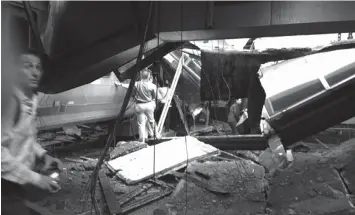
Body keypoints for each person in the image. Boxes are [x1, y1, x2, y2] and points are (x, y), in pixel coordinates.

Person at [1, 49, 64, 215]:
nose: (35, 72)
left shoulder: (30, 98)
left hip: (15, 182)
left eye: (38, 67)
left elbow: (23, 136)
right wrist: (37, 179)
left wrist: (44, 154)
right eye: (28, 66)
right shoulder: (9, 101)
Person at [116, 68, 157, 142]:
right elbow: (154, 97)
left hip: (139, 106)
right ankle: (156, 135)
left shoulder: (136, 83)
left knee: (141, 124)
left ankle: (142, 139)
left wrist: (120, 84)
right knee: (151, 121)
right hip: (148, 105)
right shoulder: (153, 86)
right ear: (149, 76)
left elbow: (128, 85)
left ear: (141, 76)